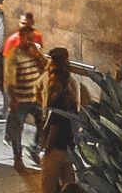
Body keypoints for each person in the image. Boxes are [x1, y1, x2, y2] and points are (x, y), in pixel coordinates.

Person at [4, 18, 47, 170]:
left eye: (31, 38)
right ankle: (17, 156)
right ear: (21, 38)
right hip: (21, 99)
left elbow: (45, 69)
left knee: (43, 125)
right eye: (26, 39)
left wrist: (38, 56)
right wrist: (12, 98)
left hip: (36, 97)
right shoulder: (14, 54)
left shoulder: (36, 50)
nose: (29, 42)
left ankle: (35, 149)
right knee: (18, 128)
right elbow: (9, 78)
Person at [38, 51, 80, 193]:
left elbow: (55, 125)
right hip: (69, 146)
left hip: (56, 148)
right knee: (68, 181)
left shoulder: (59, 100)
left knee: (48, 183)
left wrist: (48, 147)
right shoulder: (70, 94)